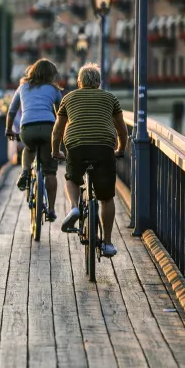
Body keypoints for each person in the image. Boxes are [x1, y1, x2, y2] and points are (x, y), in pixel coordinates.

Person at [51, 62, 128, 257]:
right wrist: (120, 149)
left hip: (76, 147)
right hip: (104, 148)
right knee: (106, 198)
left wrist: (55, 151)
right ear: (99, 82)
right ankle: (108, 243)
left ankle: (74, 207)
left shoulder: (68, 98)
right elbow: (122, 129)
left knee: (72, 177)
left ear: (79, 82)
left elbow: (57, 130)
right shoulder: (110, 98)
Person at [6, 59, 63, 221]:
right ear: (50, 75)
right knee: (50, 172)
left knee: (29, 148)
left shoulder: (23, 87)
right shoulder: (54, 90)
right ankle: (51, 210)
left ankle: (25, 172)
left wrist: (8, 129)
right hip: (48, 128)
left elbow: (12, 111)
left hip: (28, 128)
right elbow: (61, 114)